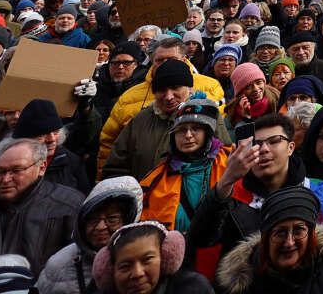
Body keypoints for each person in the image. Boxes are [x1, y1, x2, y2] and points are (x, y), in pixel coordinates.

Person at [186, 112, 323, 281]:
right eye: (257, 144)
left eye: (274, 141)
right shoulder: (231, 194)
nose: (264, 149)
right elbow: (200, 239)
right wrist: (227, 180)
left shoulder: (316, 190)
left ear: (291, 148)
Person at [0, 136, 86, 290]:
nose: (5, 179)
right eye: (1, 171)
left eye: (16, 171)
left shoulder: (67, 205)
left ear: (42, 167)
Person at [96, 38, 224, 177]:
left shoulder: (210, 87)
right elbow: (109, 145)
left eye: (172, 59)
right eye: (160, 60)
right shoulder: (130, 99)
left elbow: (223, 149)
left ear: (184, 59)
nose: (169, 97)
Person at [215, 185, 323, 294]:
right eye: (280, 233)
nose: (289, 242)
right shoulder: (243, 286)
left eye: (299, 231)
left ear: (312, 235)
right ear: (266, 239)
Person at [37, 176, 144, 294]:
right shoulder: (59, 265)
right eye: (93, 219)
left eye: (112, 219)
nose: (100, 227)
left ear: (128, 221)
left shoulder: (147, 257)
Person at [138, 99, 231, 232]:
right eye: (181, 130)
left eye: (196, 129)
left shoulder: (229, 162)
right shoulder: (156, 178)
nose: (188, 135)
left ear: (208, 133)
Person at [102, 59, 198, 181]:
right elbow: (115, 168)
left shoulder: (206, 118)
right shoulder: (140, 120)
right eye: (162, 90)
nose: (169, 97)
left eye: (175, 88)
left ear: (189, 88)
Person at [90, 220, 212, 294]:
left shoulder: (194, 288)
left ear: (166, 257)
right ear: (110, 270)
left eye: (147, 260)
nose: (138, 273)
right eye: (125, 266)